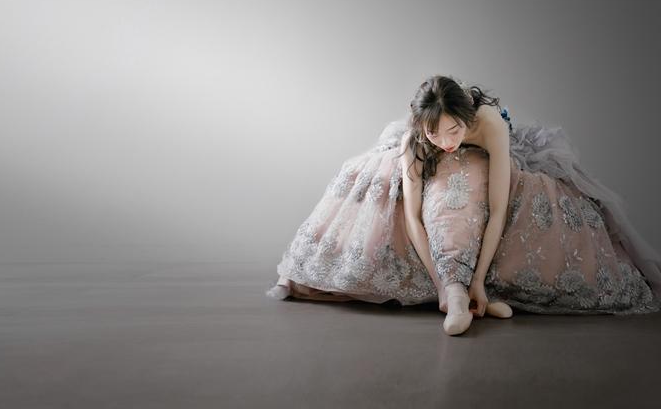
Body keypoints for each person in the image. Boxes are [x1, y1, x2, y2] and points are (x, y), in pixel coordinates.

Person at [266, 75, 661, 336]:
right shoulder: (416, 140)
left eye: (454, 130)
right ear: (423, 129)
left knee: (509, 197)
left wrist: (478, 280)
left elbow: (499, 209)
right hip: (422, 184)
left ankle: (474, 291)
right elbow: (413, 217)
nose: (447, 142)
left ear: (466, 117)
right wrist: (441, 284)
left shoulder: (487, 123)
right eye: (435, 135)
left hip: (496, 152)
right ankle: (448, 292)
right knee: (373, 184)